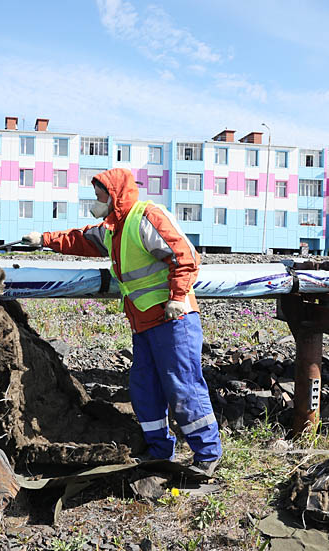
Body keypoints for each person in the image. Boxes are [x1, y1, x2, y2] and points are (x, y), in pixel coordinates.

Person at [22, 168, 222, 476]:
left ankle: (207, 454)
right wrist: (44, 239)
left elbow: (186, 256)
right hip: (144, 323)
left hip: (173, 320)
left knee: (183, 387)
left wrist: (177, 296)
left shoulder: (146, 218)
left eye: (100, 196)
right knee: (144, 389)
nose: (96, 201)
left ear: (114, 195)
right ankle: (158, 452)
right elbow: (81, 240)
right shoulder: (113, 228)